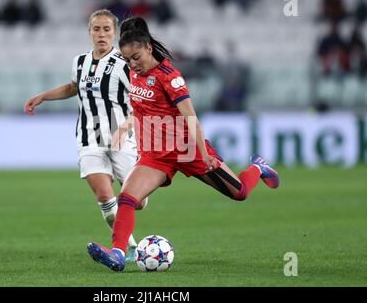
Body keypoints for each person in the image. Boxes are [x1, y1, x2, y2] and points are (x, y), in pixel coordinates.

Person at [87, 17, 280, 272]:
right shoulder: (136, 73)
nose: (133, 65)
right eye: (127, 60)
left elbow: (191, 117)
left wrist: (204, 153)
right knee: (127, 198)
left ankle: (258, 167)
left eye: (136, 57)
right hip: (156, 154)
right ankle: (119, 253)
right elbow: (146, 109)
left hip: (187, 149)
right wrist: (126, 125)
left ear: (148, 48)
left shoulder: (171, 77)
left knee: (240, 193)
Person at [24, 10, 147, 262]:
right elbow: (73, 87)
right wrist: (43, 96)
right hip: (88, 139)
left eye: (106, 29)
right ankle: (128, 249)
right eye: (96, 29)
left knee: (136, 201)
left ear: (115, 33)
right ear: (89, 32)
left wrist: (126, 127)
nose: (101, 34)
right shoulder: (79, 61)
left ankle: (128, 238)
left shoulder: (125, 63)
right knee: (104, 196)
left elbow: (142, 102)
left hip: (122, 139)